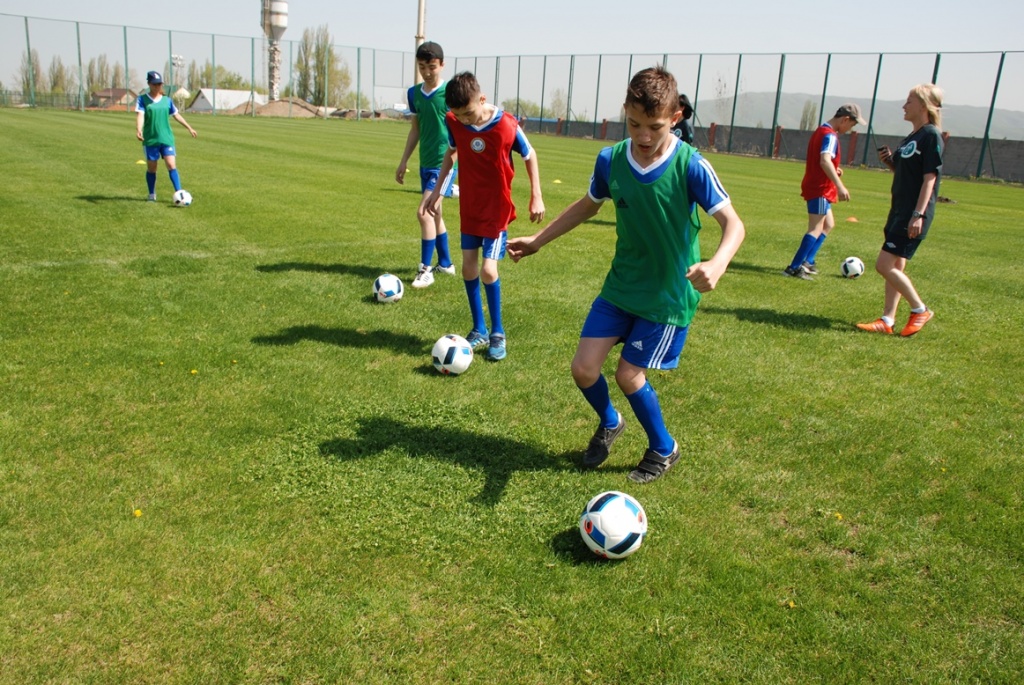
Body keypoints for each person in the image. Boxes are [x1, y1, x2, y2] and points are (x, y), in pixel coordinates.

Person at [507, 67, 745, 483]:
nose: (644, 135)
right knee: (583, 369)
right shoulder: (611, 160)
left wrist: (718, 262)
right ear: (625, 112)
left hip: (667, 296)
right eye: (635, 124)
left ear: (675, 117)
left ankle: (663, 447)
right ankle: (610, 420)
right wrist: (538, 240)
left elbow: (734, 224)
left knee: (629, 374)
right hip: (621, 287)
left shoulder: (691, 165)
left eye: (655, 126)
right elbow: (587, 205)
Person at [421, 71, 545, 361]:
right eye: (458, 115)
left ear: (482, 99)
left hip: (496, 209)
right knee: (468, 267)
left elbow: (530, 155)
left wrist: (536, 195)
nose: (464, 119)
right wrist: (438, 191)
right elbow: (450, 154)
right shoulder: (454, 122)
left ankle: (498, 332)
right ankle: (478, 329)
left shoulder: (506, 124)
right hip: (471, 208)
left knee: (489, 270)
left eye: (469, 112)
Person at [857, 84, 944, 337]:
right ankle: (887, 319)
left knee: (884, 265)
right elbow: (909, 173)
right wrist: (890, 163)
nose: (904, 106)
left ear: (924, 105)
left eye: (909, 101)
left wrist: (918, 214)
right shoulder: (912, 137)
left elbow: (930, 179)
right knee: (896, 265)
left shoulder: (930, 135)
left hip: (912, 213)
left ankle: (920, 310)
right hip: (899, 210)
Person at [396, 41, 458, 289]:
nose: (427, 71)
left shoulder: (451, 94)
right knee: (436, 214)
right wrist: (404, 161)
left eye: (432, 66)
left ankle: (426, 270)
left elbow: (462, 131)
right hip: (425, 164)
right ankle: (445, 263)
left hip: (445, 164)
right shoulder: (413, 94)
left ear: (442, 65)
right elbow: (415, 130)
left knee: (424, 212)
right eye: (422, 66)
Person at [783, 104, 866, 279]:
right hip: (820, 188)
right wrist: (840, 185)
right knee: (815, 228)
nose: (851, 129)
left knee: (828, 225)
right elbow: (824, 161)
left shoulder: (821, 130)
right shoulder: (830, 136)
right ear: (845, 119)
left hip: (819, 186)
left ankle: (808, 261)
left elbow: (823, 162)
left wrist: (835, 170)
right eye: (852, 125)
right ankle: (794, 267)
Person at [135, 70, 197, 202]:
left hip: (166, 138)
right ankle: (152, 194)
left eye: (159, 84)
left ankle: (179, 193)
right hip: (151, 139)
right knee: (152, 168)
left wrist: (189, 128)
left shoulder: (167, 100)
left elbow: (176, 115)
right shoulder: (142, 100)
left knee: (171, 165)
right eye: (154, 84)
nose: (157, 87)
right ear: (149, 84)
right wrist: (138, 129)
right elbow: (140, 115)